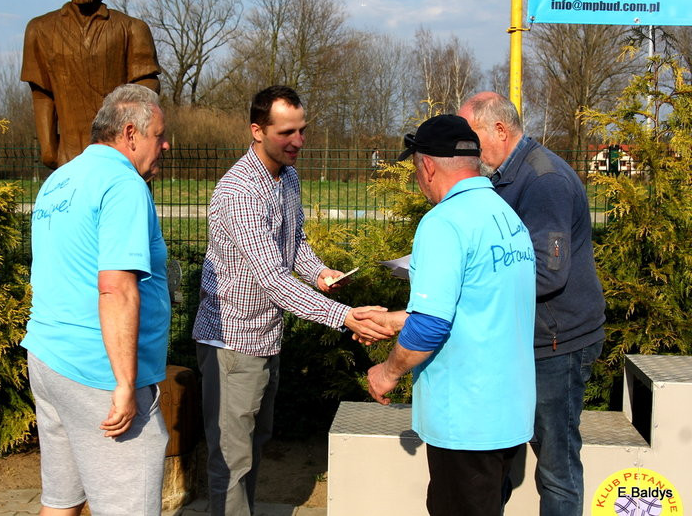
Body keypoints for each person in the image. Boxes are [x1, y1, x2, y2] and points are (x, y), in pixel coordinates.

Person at [192, 85, 394, 516]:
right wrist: (345, 317)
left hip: (268, 337)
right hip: (231, 345)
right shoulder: (239, 192)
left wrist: (319, 271)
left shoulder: (288, 177)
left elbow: (293, 243)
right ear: (257, 131)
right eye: (287, 132)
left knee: (255, 446)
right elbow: (271, 278)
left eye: (302, 130)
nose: (298, 141)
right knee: (231, 460)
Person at [364, 114, 537, 516]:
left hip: (466, 421)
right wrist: (394, 321)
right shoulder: (505, 217)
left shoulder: (444, 223)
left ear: (425, 165)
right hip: (506, 412)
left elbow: (430, 325)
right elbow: (478, 307)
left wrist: (386, 373)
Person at [21, 84, 171, 516]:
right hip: (98, 372)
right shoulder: (122, 184)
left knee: (61, 499)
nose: (165, 144)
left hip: (49, 359)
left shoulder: (60, 179)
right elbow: (116, 287)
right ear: (129, 133)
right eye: (158, 134)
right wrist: (125, 384)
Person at [458, 92, 606, 516]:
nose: (466, 152)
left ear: (500, 131)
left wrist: (469, 286)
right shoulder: (503, 176)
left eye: (472, 140)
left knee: (556, 467)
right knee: (498, 454)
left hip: (557, 343)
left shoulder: (543, 182)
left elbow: (547, 272)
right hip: (528, 339)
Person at [21, 0, 161, 169]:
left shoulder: (132, 29)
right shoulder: (40, 30)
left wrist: (135, 149)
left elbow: (145, 96)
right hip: (69, 156)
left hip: (120, 158)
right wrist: (48, 149)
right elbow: (41, 95)